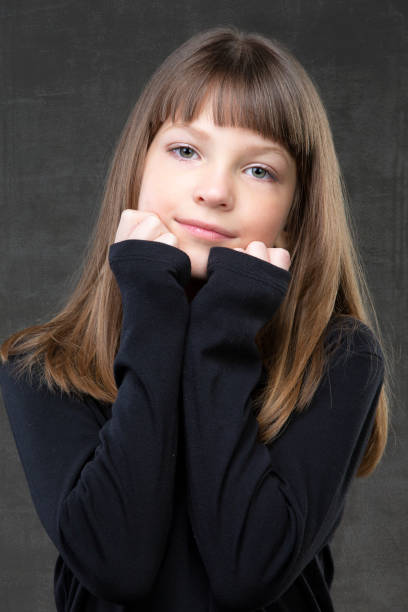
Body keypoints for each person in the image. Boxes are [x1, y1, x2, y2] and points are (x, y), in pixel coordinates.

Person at [0, 25, 391, 612]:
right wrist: (155, 314)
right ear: (138, 166)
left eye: (259, 170)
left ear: (294, 212)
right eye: (186, 151)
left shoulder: (338, 358)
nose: (214, 191)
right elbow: (118, 567)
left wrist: (220, 332)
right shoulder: (44, 368)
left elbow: (246, 574)